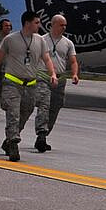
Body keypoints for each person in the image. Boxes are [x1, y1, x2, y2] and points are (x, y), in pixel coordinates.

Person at [0, 10, 56, 162]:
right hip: (12, 83)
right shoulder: (10, 39)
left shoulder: (40, 40)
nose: (39, 25)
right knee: (13, 114)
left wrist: (52, 73)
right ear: (27, 23)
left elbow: (47, 59)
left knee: (25, 112)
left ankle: (9, 140)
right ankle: (14, 143)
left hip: (31, 85)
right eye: (36, 22)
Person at [34, 13, 79, 152]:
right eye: (61, 25)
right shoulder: (41, 40)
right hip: (43, 76)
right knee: (44, 104)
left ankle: (44, 135)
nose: (64, 27)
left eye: (65, 25)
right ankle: (41, 133)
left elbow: (73, 61)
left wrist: (75, 74)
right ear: (52, 25)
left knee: (55, 107)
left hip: (60, 79)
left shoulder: (68, 43)